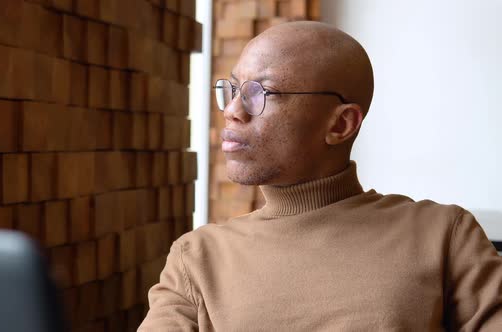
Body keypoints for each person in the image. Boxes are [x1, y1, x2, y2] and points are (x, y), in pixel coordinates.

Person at [138, 21, 502, 331]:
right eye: (232, 89)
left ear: (341, 124)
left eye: (259, 92)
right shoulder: (197, 258)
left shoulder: (444, 236)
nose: (233, 111)